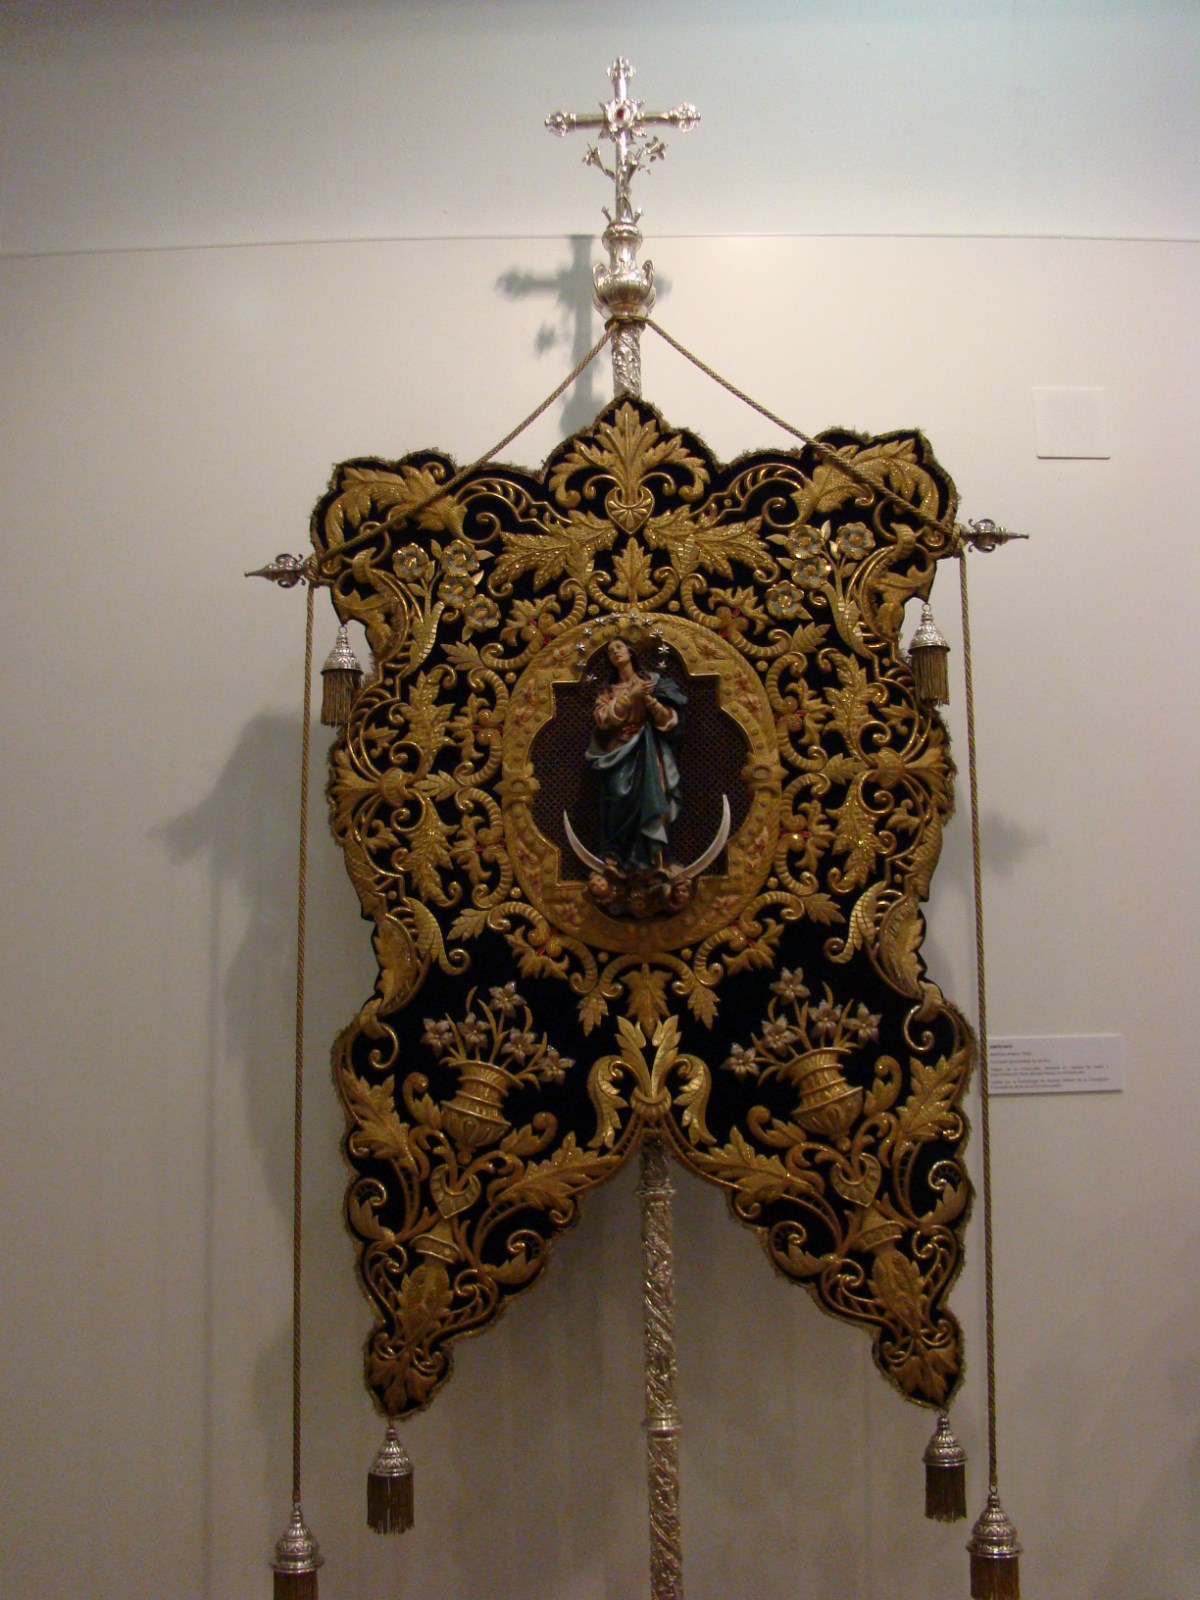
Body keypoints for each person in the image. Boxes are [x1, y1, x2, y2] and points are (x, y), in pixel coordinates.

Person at [586, 637, 687, 873]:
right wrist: (632, 695)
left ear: (631, 651)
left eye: (619, 647)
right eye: (610, 651)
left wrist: (649, 700)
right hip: (618, 750)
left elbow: (670, 721)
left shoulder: (652, 682)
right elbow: (602, 720)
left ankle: (654, 858)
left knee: (651, 797)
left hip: (647, 748)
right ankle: (615, 856)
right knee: (618, 795)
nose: (615, 652)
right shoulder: (608, 691)